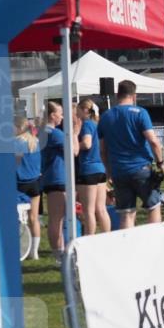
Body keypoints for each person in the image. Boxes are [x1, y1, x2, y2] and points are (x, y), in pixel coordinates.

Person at [98, 80, 164, 228]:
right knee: (153, 207)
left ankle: (128, 246)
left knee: (126, 214)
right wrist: (160, 163)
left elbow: (103, 150)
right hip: (140, 168)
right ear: (134, 96)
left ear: (117, 95)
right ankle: (153, 242)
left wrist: (108, 171)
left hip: (119, 171)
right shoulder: (140, 113)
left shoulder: (105, 116)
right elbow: (153, 141)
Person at [41, 101, 77, 262]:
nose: (62, 116)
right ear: (52, 115)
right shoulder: (54, 133)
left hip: (53, 177)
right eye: (60, 113)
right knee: (57, 218)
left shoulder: (45, 131)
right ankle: (58, 253)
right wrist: (75, 131)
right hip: (56, 178)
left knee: (58, 217)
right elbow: (74, 150)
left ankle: (60, 250)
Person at [75, 99, 111, 236]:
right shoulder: (97, 125)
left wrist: (75, 144)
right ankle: (107, 237)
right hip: (100, 169)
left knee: (89, 210)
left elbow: (87, 143)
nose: (76, 112)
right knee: (101, 208)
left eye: (78, 109)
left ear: (84, 110)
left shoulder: (87, 125)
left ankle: (89, 239)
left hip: (88, 169)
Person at [14, 115, 42, 260]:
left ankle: (20, 248)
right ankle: (35, 252)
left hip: (20, 184)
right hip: (35, 183)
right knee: (34, 217)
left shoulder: (15, 143)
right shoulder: (35, 141)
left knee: (17, 217)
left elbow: (14, 164)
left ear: (18, 128)